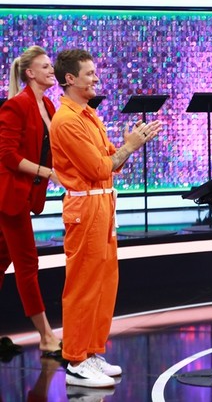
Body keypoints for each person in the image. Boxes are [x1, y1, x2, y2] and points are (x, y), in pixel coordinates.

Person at [50, 49, 162, 388]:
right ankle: (75, 360)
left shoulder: (89, 114)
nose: (96, 78)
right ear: (70, 79)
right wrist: (130, 146)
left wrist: (128, 144)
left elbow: (111, 159)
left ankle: (91, 352)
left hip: (103, 205)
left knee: (104, 283)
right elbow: (99, 168)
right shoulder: (66, 120)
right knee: (83, 286)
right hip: (85, 210)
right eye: (89, 74)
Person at [0, 46, 62, 359]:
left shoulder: (48, 104)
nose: (52, 70)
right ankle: (47, 337)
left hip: (22, 195)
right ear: (30, 73)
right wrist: (47, 173)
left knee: (1, 261)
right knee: (27, 264)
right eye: (46, 66)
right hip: (8, 196)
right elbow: (7, 156)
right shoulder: (17, 105)